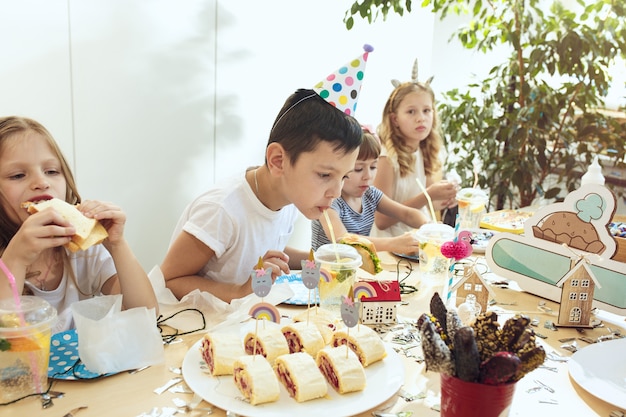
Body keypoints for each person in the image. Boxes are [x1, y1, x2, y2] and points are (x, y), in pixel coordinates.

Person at [161, 89, 363, 302]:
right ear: (278, 160)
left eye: (344, 177)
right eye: (324, 174)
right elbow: (169, 280)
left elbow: (256, 245)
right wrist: (240, 291)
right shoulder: (222, 210)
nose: (337, 192)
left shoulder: (290, 198)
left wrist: (317, 261)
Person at [0, 116, 158, 333]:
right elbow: (5, 341)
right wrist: (15, 258)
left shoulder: (83, 253)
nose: (41, 182)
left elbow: (145, 317)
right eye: (18, 175)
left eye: (52, 171)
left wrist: (117, 245)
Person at [311, 127, 429, 254]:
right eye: (358, 169)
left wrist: (429, 226)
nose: (368, 176)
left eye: (373, 167)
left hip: (357, 269)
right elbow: (343, 240)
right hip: (322, 270)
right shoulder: (329, 201)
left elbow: (407, 214)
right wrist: (392, 243)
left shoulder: (371, 194)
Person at [371, 69, 458, 238]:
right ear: (394, 119)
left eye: (426, 110)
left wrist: (447, 198)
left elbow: (429, 203)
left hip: (420, 237)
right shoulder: (387, 159)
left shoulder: (425, 150)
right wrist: (429, 195)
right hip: (393, 244)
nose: (421, 118)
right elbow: (381, 220)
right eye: (411, 111)